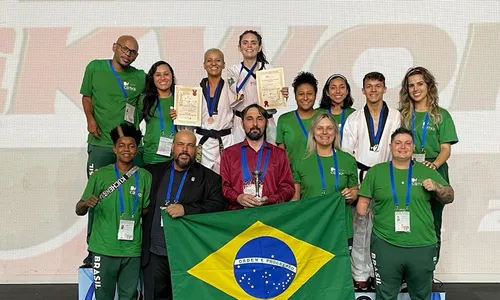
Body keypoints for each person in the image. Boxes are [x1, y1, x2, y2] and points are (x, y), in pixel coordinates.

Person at [356, 127, 454, 300]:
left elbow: (450, 196)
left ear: (413, 147)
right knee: (385, 295)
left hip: (422, 245)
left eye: (408, 143)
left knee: (421, 295)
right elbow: (362, 204)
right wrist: (363, 208)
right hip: (385, 244)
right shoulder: (376, 172)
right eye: (398, 143)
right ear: (390, 146)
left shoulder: (427, 171)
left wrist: (437, 187)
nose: (403, 147)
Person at [80, 35, 146, 266]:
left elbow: (144, 108)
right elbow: (87, 97)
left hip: (129, 147)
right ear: (115, 47)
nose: (128, 54)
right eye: (125, 49)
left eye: (133, 52)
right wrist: (90, 119)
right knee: (96, 198)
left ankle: (131, 247)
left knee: (132, 199)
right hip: (100, 143)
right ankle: (93, 250)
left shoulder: (140, 77)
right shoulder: (95, 67)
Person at [142, 130, 226, 300]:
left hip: (188, 254)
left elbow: (218, 205)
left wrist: (187, 210)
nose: (185, 149)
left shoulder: (209, 178)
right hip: (155, 253)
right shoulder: (152, 172)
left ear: (196, 150)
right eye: (180, 144)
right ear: (173, 147)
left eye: (190, 145)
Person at [75, 123, 151, 300]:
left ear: (137, 150)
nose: (127, 149)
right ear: (114, 149)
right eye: (122, 145)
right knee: (104, 297)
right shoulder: (100, 176)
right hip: (104, 249)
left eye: (131, 146)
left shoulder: (146, 177)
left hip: (132, 250)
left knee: (130, 296)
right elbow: (79, 209)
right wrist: (86, 203)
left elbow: (145, 210)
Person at [342, 72, 401, 290]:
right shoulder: (354, 119)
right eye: (369, 86)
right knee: (360, 226)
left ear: (385, 88)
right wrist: (353, 185)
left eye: (378, 86)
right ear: (363, 90)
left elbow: (401, 147)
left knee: (384, 227)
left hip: (387, 176)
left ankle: (382, 272)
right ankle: (360, 273)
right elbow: (347, 155)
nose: (373, 90)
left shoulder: (396, 116)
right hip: (360, 177)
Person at [399, 66, 458, 264]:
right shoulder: (403, 115)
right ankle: (407, 270)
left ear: (429, 86)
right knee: (406, 219)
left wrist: (433, 166)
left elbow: (446, 149)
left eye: (420, 84)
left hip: (435, 170)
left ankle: (428, 269)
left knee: (432, 222)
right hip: (408, 170)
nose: (415, 89)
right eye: (411, 85)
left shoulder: (441, 115)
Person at [291, 113, 358, 251]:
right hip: (311, 228)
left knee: (340, 270)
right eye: (320, 128)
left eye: (329, 128)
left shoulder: (348, 160)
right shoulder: (300, 162)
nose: (325, 132)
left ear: (335, 132)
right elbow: (295, 199)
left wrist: (352, 195)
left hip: (340, 228)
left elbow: (355, 191)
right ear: (313, 133)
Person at [220, 104, 295, 210]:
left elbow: (288, 188)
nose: (255, 124)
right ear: (242, 124)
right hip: (238, 216)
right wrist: (238, 197)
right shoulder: (229, 154)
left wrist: (270, 200)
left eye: (260, 119)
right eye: (249, 119)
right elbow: (224, 187)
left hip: (270, 215)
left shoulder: (280, 154)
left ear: (266, 123)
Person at [227, 30, 288, 144]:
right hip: (242, 122)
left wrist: (282, 94)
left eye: (253, 43)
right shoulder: (233, 70)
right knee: (241, 158)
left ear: (259, 47)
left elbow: (275, 99)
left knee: (269, 158)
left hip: (266, 121)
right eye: (245, 43)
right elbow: (234, 91)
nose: (249, 46)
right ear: (239, 47)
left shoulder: (269, 69)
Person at [195, 49, 234, 173]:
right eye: (209, 60)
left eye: (218, 60)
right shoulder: (195, 91)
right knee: (201, 180)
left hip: (225, 141)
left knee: (225, 179)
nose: (213, 64)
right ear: (204, 65)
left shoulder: (232, 89)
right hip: (202, 142)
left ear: (223, 64)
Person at [276, 72, 321, 164]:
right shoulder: (284, 120)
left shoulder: (324, 118)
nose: (305, 98)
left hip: (320, 174)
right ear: (295, 95)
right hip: (292, 176)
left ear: (315, 95)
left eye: (309, 93)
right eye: (301, 94)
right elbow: (280, 155)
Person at [139, 61, 176, 165]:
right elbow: (133, 124)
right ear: (152, 78)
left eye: (166, 74)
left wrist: (181, 117)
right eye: (158, 75)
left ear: (172, 76)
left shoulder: (180, 99)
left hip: (176, 157)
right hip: (151, 156)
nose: (163, 78)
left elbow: (190, 130)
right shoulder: (144, 100)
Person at [318, 73, 356, 146]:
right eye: (333, 88)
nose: (338, 91)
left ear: (347, 91)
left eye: (342, 87)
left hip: (347, 156)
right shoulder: (317, 113)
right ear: (327, 92)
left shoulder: (354, 114)